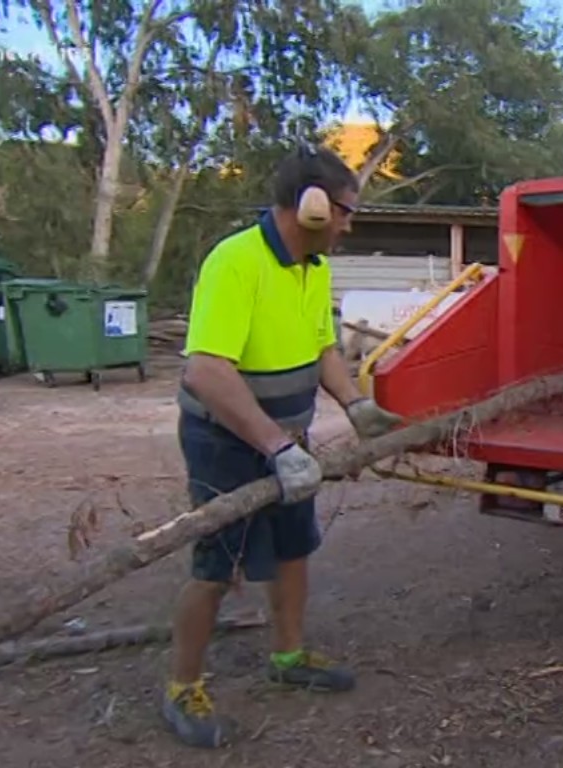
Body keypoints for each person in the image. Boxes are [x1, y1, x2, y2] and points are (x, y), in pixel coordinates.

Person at [162, 143, 402, 748]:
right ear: (313, 207)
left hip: (286, 440)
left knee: (295, 547)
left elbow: (323, 349)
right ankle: (181, 687)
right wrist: (275, 446)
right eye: (346, 212)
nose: (349, 225)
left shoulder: (312, 267)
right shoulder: (236, 262)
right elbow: (207, 371)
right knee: (217, 568)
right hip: (227, 439)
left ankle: (289, 657)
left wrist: (355, 405)